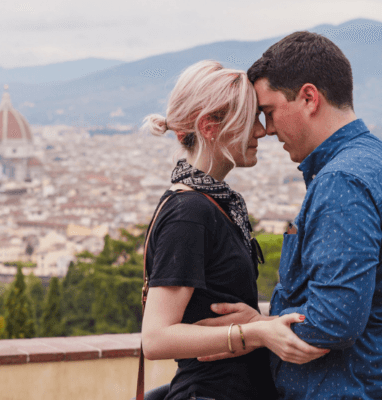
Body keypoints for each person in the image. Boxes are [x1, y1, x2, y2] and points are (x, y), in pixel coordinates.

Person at [201, 32, 382, 399]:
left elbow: (333, 322)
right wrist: (267, 324)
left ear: (308, 97)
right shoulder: (372, 158)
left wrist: (256, 331)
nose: (268, 129)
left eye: (270, 111)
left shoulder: (342, 181)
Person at [139, 60, 328, 400]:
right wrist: (256, 333)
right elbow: (155, 338)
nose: (261, 131)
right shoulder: (190, 213)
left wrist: (257, 325)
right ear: (209, 126)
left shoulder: (217, 204)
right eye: (249, 120)